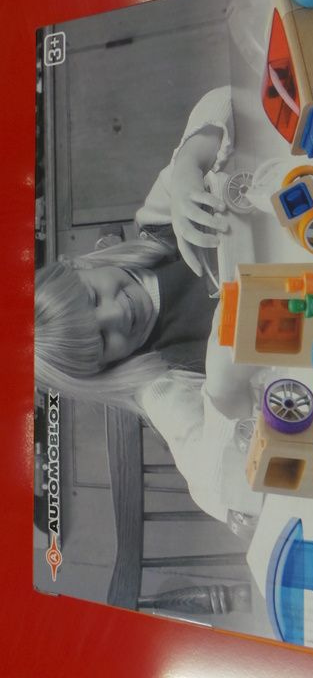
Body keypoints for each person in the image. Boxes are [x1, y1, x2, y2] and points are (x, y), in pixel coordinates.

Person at [35, 87, 263, 523]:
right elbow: (219, 493)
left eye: (92, 296)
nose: (117, 314)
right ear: (104, 369)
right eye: (103, 341)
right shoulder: (161, 385)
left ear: (80, 265)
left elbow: (226, 99)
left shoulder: (158, 225)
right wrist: (223, 389)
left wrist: (189, 165)